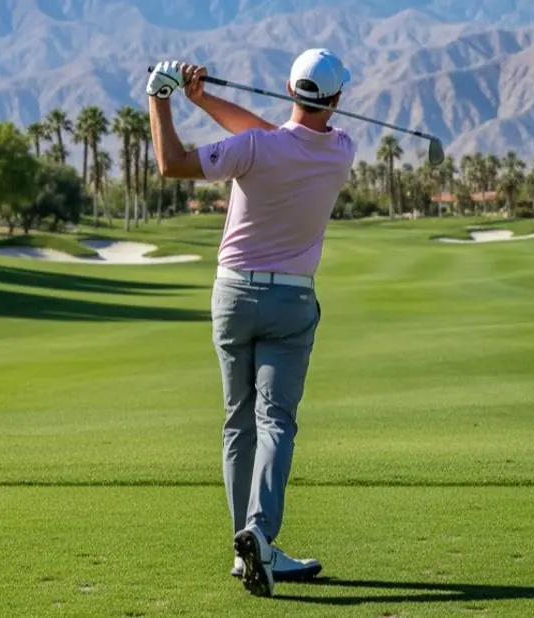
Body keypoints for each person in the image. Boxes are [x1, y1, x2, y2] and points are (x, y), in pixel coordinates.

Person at [145, 49, 356, 598]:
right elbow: (281, 135)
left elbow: (171, 163)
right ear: (337, 99)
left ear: (288, 88)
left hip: (233, 295)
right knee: (275, 420)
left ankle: (246, 550)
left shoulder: (253, 148)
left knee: (238, 421)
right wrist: (205, 98)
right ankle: (258, 536)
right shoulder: (341, 150)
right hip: (291, 301)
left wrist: (162, 99)